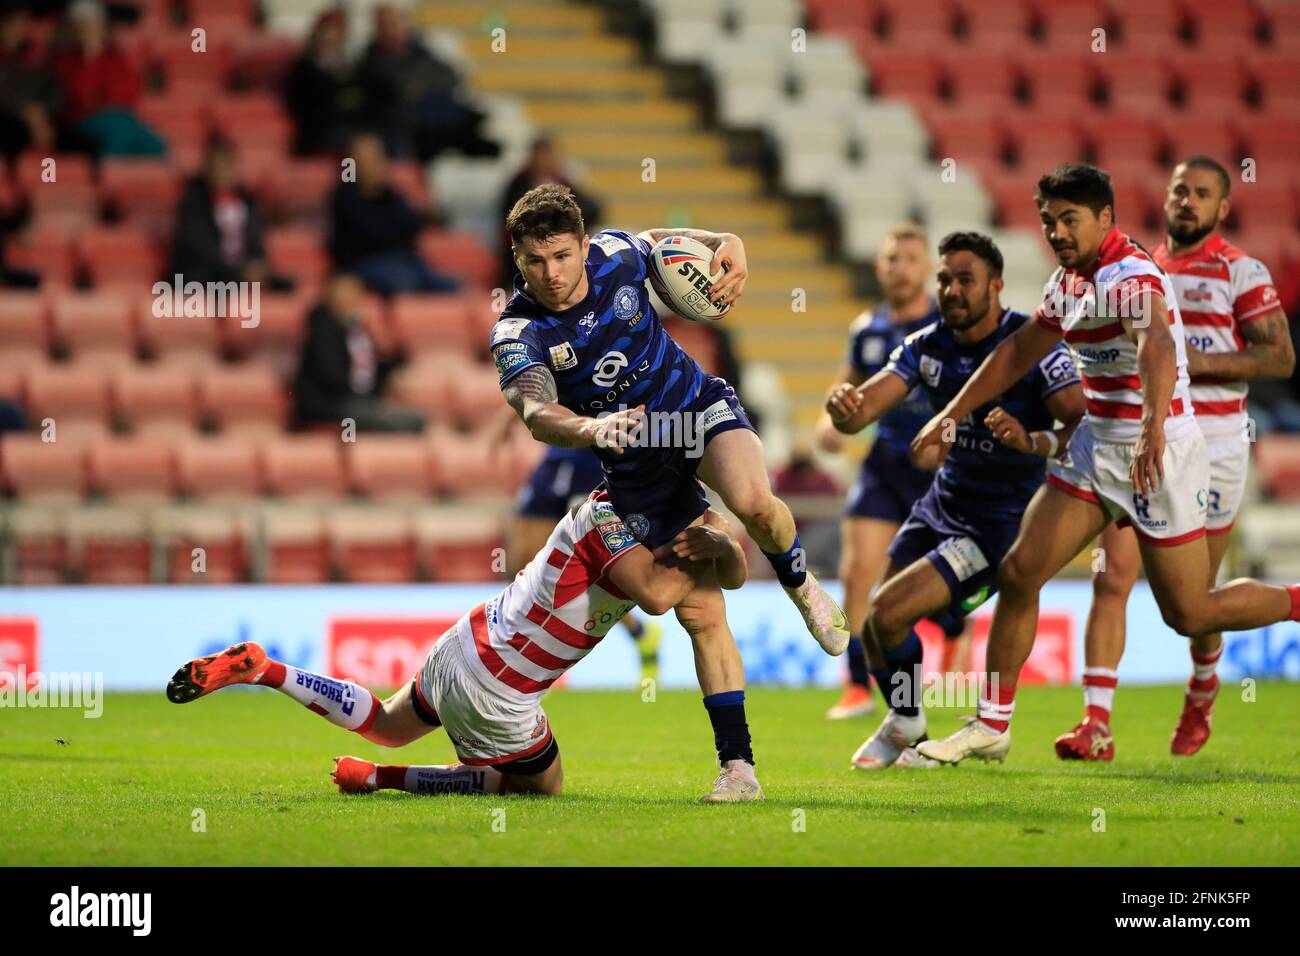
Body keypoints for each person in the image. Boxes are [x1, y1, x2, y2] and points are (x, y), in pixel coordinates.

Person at [910, 164, 1300, 766]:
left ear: (1105, 219)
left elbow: (1158, 342)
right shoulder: (1068, 282)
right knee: (1019, 573)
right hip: (1097, 445)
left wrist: (1149, 427)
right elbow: (1018, 350)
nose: (1057, 232)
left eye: (1070, 220)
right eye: (1048, 221)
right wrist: (954, 413)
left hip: (1160, 452)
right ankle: (992, 725)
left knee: (1189, 612)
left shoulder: (1132, 274)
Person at [166, 497, 759, 802]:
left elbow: (719, 575)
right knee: (540, 788)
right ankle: (381, 781)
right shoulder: (614, 528)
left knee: (385, 722)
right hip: (499, 688)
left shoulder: (605, 508)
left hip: (464, 642)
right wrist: (722, 549)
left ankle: (266, 670)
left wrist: (725, 550)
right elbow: (658, 598)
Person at [493, 186, 849, 655]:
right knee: (679, 602)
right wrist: (593, 428)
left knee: (756, 504)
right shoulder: (518, 331)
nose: (552, 273)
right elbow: (537, 412)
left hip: (692, 406)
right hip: (634, 455)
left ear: (584, 245)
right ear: (516, 258)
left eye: (562, 255)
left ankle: (802, 586)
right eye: (536, 260)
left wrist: (725, 240)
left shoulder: (616, 254)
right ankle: (683, 618)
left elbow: (661, 239)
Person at [1056, 157, 1295, 762]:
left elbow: (1279, 360)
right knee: (1111, 577)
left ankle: (1203, 686)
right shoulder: (1136, 267)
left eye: (1203, 194)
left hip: (1211, 445)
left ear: (1222, 209)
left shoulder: (1241, 272)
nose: (1188, 201)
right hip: (1135, 439)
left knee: (1194, 604)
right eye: (1180, 190)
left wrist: (1189, 362)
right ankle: (1095, 723)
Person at [827, 231, 1084, 769]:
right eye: (944, 278)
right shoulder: (926, 346)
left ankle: (931, 722)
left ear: (996, 286)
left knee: (889, 611)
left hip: (998, 523)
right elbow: (860, 414)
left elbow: (1082, 424)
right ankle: (907, 721)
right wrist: (843, 406)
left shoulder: (1033, 346)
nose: (951, 290)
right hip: (940, 504)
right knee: (877, 626)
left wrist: (1036, 441)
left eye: (965, 280)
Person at [814, 223, 969, 721]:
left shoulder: (950, 327)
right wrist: (829, 422)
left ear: (927, 269)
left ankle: (955, 651)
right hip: (885, 463)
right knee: (858, 571)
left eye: (908, 258)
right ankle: (859, 685)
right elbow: (847, 386)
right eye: (890, 259)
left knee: (942, 582)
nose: (898, 267)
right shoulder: (868, 329)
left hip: (941, 469)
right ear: (878, 267)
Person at [488, 407, 663, 681]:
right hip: (558, 455)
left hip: (597, 455)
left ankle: (635, 632)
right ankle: (637, 630)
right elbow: (542, 383)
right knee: (521, 558)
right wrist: (508, 418)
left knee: (595, 563)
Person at [356, 4, 498, 162]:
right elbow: (391, 92)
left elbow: (450, 76)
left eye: (394, 23)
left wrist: (422, 87)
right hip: (405, 126)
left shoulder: (421, 52)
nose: (392, 29)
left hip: (432, 118)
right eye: (385, 24)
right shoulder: (370, 61)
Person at [292, 271, 425, 433]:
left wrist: (393, 361)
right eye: (347, 291)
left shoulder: (355, 328)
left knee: (413, 419)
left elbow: (367, 371)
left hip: (356, 401)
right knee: (402, 424)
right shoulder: (322, 329)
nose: (353, 297)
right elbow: (335, 375)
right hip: (330, 405)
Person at [328, 132, 458, 296]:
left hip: (406, 261)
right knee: (404, 281)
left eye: (377, 157)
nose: (375, 165)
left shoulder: (390, 194)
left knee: (453, 287)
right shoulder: (344, 197)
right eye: (368, 159)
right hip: (364, 265)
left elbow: (412, 226)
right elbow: (372, 234)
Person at [50, 0, 164, 158]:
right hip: (82, 122)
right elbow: (77, 96)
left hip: (119, 118)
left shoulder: (115, 58)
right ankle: (111, 180)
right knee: (117, 134)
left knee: (155, 146)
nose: (88, 31)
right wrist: (89, 58)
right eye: (83, 26)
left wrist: (105, 99)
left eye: (92, 26)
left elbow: (128, 93)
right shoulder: (64, 61)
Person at [498, 136, 603, 287]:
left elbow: (592, 208)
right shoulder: (518, 183)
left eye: (547, 156)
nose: (543, 161)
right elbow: (509, 219)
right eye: (539, 156)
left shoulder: (564, 181)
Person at [168, 136, 268, 288]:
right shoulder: (193, 202)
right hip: (204, 274)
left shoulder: (248, 202)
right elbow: (198, 247)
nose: (222, 172)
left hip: (239, 273)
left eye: (227, 166)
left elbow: (256, 242)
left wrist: (257, 264)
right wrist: (237, 269)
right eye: (218, 166)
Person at [285, 8, 363, 156]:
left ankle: (353, 176)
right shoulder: (304, 67)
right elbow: (301, 105)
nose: (329, 37)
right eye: (326, 31)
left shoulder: (352, 67)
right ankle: (349, 176)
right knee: (351, 146)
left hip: (349, 129)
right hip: (318, 132)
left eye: (335, 32)